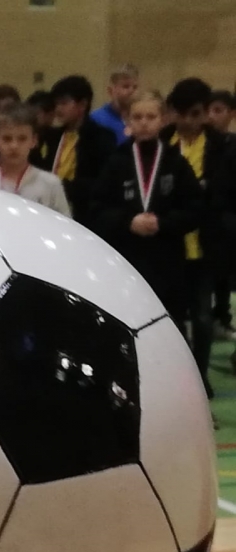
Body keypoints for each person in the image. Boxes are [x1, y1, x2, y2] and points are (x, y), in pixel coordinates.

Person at [91, 90, 202, 341]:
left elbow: (195, 208)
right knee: (127, 322)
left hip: (168, 259)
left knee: (170, 323)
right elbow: (97, 208)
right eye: (138, 117)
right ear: (128, 121)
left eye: (151, 117)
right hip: (126, 258)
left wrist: (163, 223)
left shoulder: (176, 162)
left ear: (163, 120)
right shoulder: (116, 162)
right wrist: (128, 222)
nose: (144, 123)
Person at [163, 78, 236, 393]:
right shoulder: (162, 143)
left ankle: (201, 375)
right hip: (169, 244)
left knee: (203, 317)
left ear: (205, 112)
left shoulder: (224, 146)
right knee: (172, 316)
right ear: (172, 113)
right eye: (181, 114)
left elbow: (226, 194)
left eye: (195, 114)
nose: (188, 121)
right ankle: (179, 377)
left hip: (206, 244)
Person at [37, 75, 116, 228]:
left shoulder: (101, 137)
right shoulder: (51, 136)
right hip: (51, 209)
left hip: (85, 215)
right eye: (56, 104)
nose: (58, 109)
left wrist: (64, 186)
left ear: (82, 104)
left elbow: (103, 182)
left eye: (64, 103)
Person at [0, 103, 71, 216]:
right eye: (7, 139)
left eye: (22, 139)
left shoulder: (51, 184)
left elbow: (65, 224)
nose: (14, 146)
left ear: (34, 140)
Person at [90, 64, 140, 146]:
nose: (131, 91)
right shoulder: (96, 120)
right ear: (110, 91)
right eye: (126, 86)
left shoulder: (141, 118)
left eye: (135, 87)